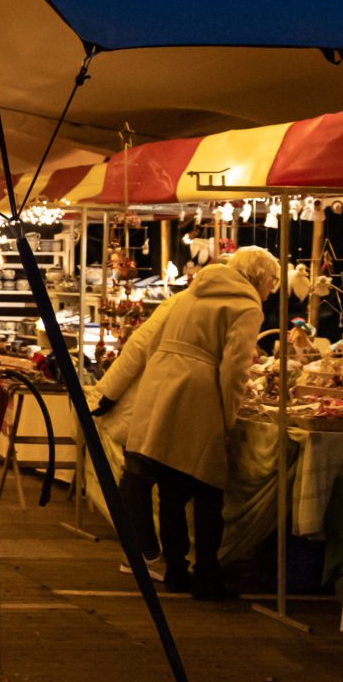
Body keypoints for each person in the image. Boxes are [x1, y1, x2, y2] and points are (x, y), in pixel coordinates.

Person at [95, 247, 279, 601]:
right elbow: (235, 368)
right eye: (271, 282)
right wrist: (227, 415)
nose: (271, 290)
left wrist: (110, 390)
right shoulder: (246, 306)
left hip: (159, 390)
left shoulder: (188, 295)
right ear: (259, 278)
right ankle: (207, 575)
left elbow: (142, 343)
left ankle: (176, 570)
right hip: (197, 396)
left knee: (171, 489)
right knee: (209, 490)